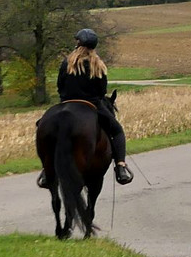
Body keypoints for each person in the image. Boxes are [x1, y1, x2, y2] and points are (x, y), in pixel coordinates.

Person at [39, 28, 133, 187]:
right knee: (117, 131)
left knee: (42, 125)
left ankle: (46, 169)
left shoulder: (67, 63)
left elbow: (60, 86)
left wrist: (67, 97)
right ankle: (121, 166)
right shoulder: (99, 65)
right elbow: (102, 91)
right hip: (93, 105)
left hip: (66, 103)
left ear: (78, 44)